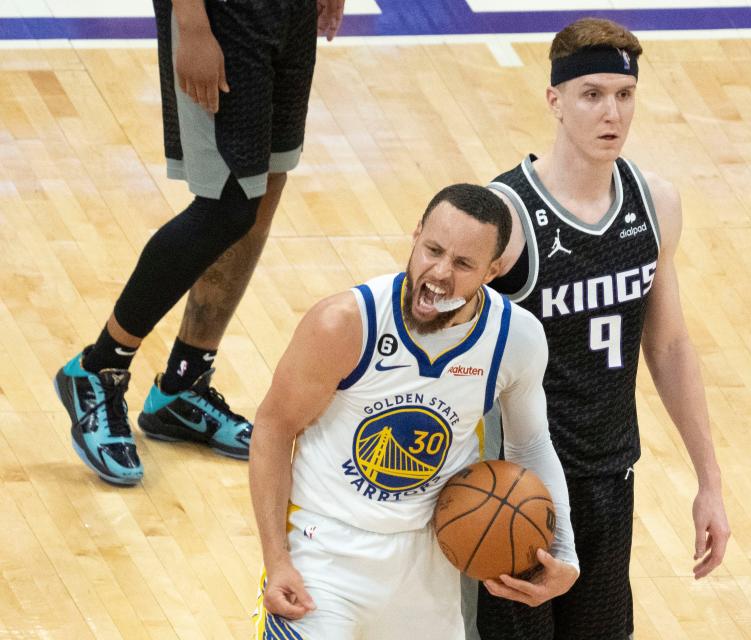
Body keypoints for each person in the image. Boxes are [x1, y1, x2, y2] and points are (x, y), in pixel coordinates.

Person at [472, 18, 732, 640]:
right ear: (555, 101)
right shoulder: (505, 213)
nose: (611, 112)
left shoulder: (655, 202)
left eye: (624, 94)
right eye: (591, 94)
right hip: (519, 488)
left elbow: (667, 345)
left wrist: (709, 482)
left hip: (610, 478)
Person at [249, 184, 579, 640]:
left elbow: (531, 445)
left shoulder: (514, 339)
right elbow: (272, 427)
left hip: (428, 563)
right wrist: (276, 558)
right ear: (416, 234)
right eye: (433, 250)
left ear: (494, 270)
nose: (440, 273)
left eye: (463, 264)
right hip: (323, 552)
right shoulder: (345, 323)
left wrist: (564, 548)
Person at [53, 0, 345, 485]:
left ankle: (183, 385)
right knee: (227, 205)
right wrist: (191, 23)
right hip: (224, 14)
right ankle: (98, 367)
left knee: (267, 181)